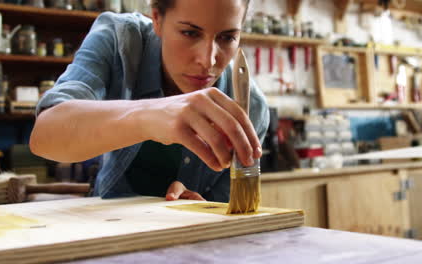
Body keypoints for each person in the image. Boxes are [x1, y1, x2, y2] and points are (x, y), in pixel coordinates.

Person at [29, 0, 269, 203]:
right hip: (103, 230)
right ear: (157, 18)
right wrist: (150, 116)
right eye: (190, 33)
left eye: (227, 37)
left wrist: (200, 210)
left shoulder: (251, 109)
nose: (207, 60)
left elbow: (229, 218)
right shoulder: (119, 40)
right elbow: (45, 135)